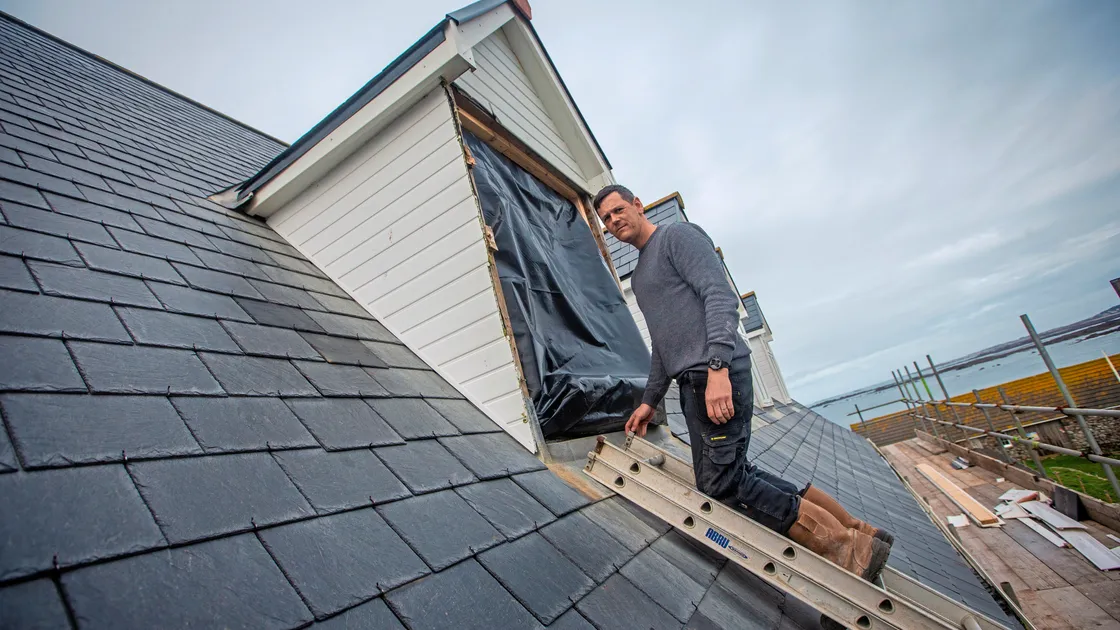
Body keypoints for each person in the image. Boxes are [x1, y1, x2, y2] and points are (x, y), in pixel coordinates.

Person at [594, 184, 893, 583]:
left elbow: (721, 295)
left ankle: (846, 549)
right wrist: (650, 400)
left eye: (618, 210)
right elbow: (664, 345)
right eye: (606, 219)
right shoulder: (644, 273)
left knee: (722, 484)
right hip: (695, 382)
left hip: (716, 375)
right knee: (736, 472)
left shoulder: (677, 237)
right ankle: (857, 531)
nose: (614, 221)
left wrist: (717, 368)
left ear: (637, 205)